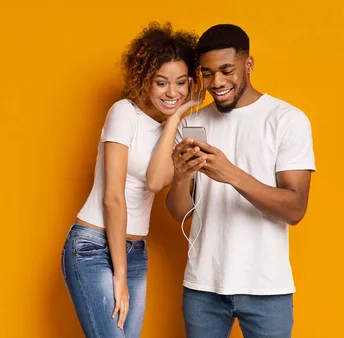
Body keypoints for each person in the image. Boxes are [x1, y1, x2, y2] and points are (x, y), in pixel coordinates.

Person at [166, 24, 316, 338]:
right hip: (202, 287)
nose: (216, 83)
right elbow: (180, 212)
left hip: (266, 287)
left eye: (226, 70)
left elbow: (295, 209)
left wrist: (231, 174)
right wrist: (180, 177)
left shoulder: (287, 120)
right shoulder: (192, 123)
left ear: (248, 65)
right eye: (207, 74)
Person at [61, 21, 202, 337]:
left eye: (180, 83)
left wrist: (175, 119)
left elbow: (154, 182)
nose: (172, 92)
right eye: (161, 82)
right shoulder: (123, 112)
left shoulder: (170, 130)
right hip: (93, 248)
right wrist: (119, 276)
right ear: (145, 80)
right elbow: (113, 197)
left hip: (136, 251)